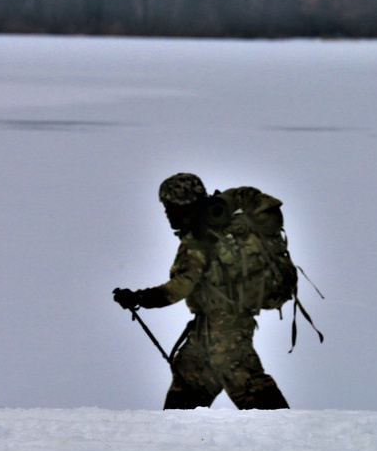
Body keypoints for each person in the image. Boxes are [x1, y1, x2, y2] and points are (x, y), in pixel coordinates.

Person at [113, 173, 290, 410]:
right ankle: (176, 441)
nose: (167, 213)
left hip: (225, 332)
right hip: (207, 330)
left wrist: (140, 298)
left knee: (248, 384)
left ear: (183, 204)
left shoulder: (200, 239)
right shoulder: (211, 232)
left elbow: (182, 285)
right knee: (188, 384)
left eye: (169, 206)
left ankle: (288, 438)